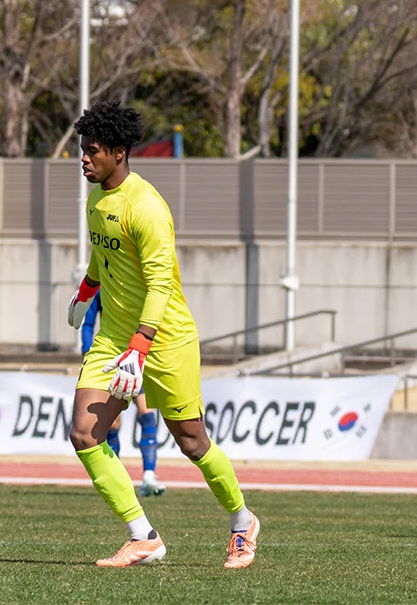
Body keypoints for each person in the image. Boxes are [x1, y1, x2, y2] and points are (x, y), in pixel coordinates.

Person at [66, 100, 259, 569]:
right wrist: (87, 289)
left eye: (92, 151)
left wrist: (140, 347)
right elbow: (103, 255)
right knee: (84, 433)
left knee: (192, 442)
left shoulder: (147, 208)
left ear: (119, 152)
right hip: (115, 336)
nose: (84, 159)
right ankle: (143, 536)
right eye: (82, 150)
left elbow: (160, 285)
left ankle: (242, 522)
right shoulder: (96, 198)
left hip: (165, 340)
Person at [80, 290, 165, 496]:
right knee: (113, 423)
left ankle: (149, 476)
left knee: (147, 413)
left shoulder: (141, 284)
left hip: (138, 358)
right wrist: (87, 353)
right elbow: (88, 324)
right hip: (112, 359)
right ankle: (115, 479)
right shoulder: (102, 284)